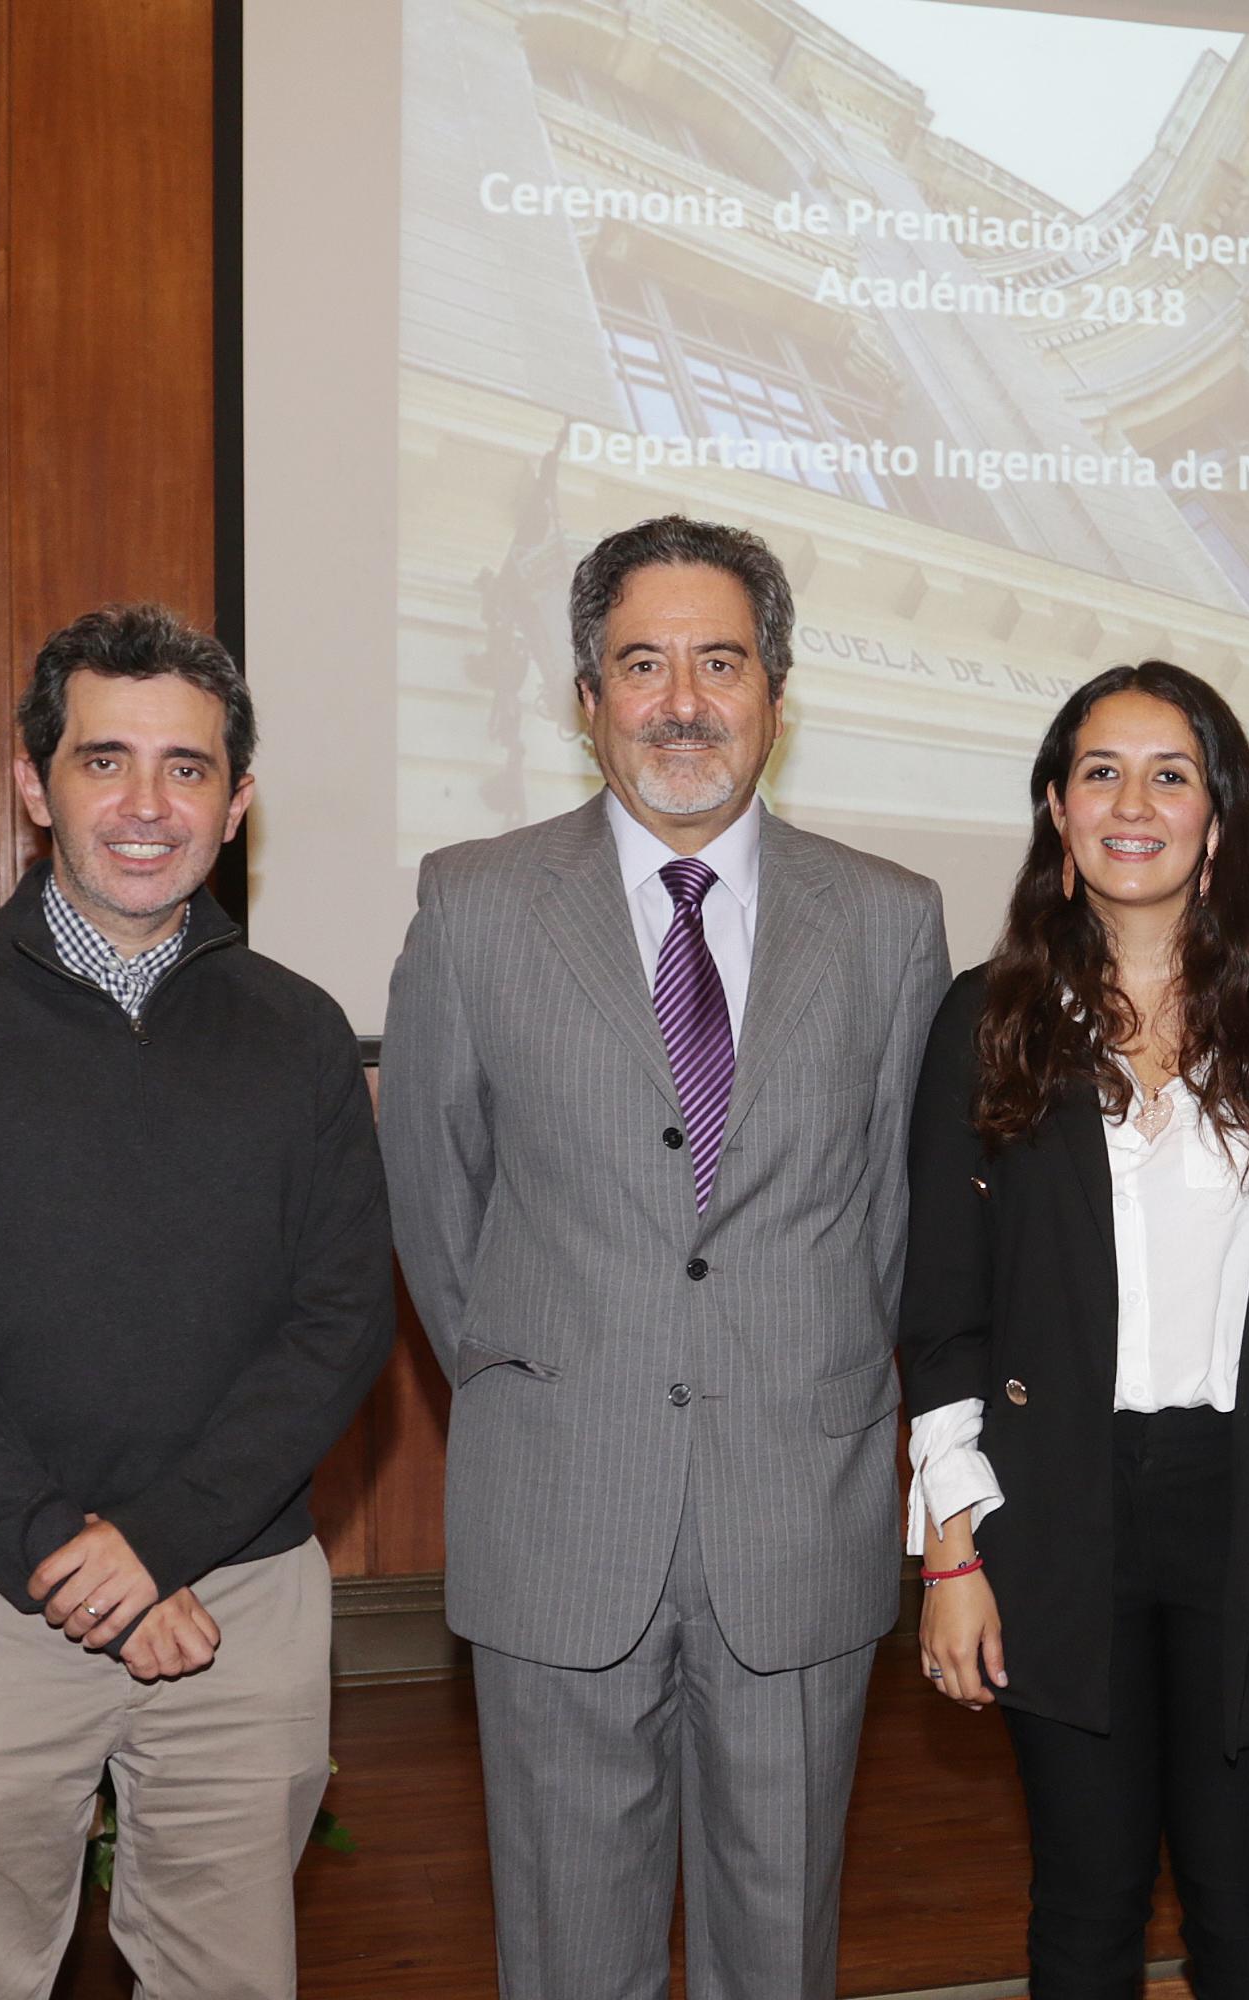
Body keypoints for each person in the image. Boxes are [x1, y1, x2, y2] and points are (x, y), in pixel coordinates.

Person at [379, 514, 950, 2000]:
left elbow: (896, 1228)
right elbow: (439, 1216)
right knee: (571, 1957)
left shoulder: (892, 926)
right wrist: (553, 1381)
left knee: (782, 1954)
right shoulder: (474, 904)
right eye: (642, 664)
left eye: (720, 662)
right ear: (585, 697)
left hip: (797, 1520)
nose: (681, 700)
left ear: (776, 693)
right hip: (563, 1510)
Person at [0, 603, 394, 1998]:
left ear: (238, 798)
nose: (148, 805)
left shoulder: (303, 1032)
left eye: (188, 769)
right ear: (34, 784)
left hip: (236, 1603)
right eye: (104, 760)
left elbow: (341, 1323)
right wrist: (77, 1560)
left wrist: (163, 1547)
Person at [902, 662, 1249, 1997]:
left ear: (1220, 817)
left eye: (1169, 774)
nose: (1133, 802)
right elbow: (944, 1313)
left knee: (1246, 1906)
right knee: (1085, 1903)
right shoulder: (987, 1019)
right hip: (1054, 1509)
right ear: (1060, 817)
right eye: (1099, 773)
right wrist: (953, 1552)